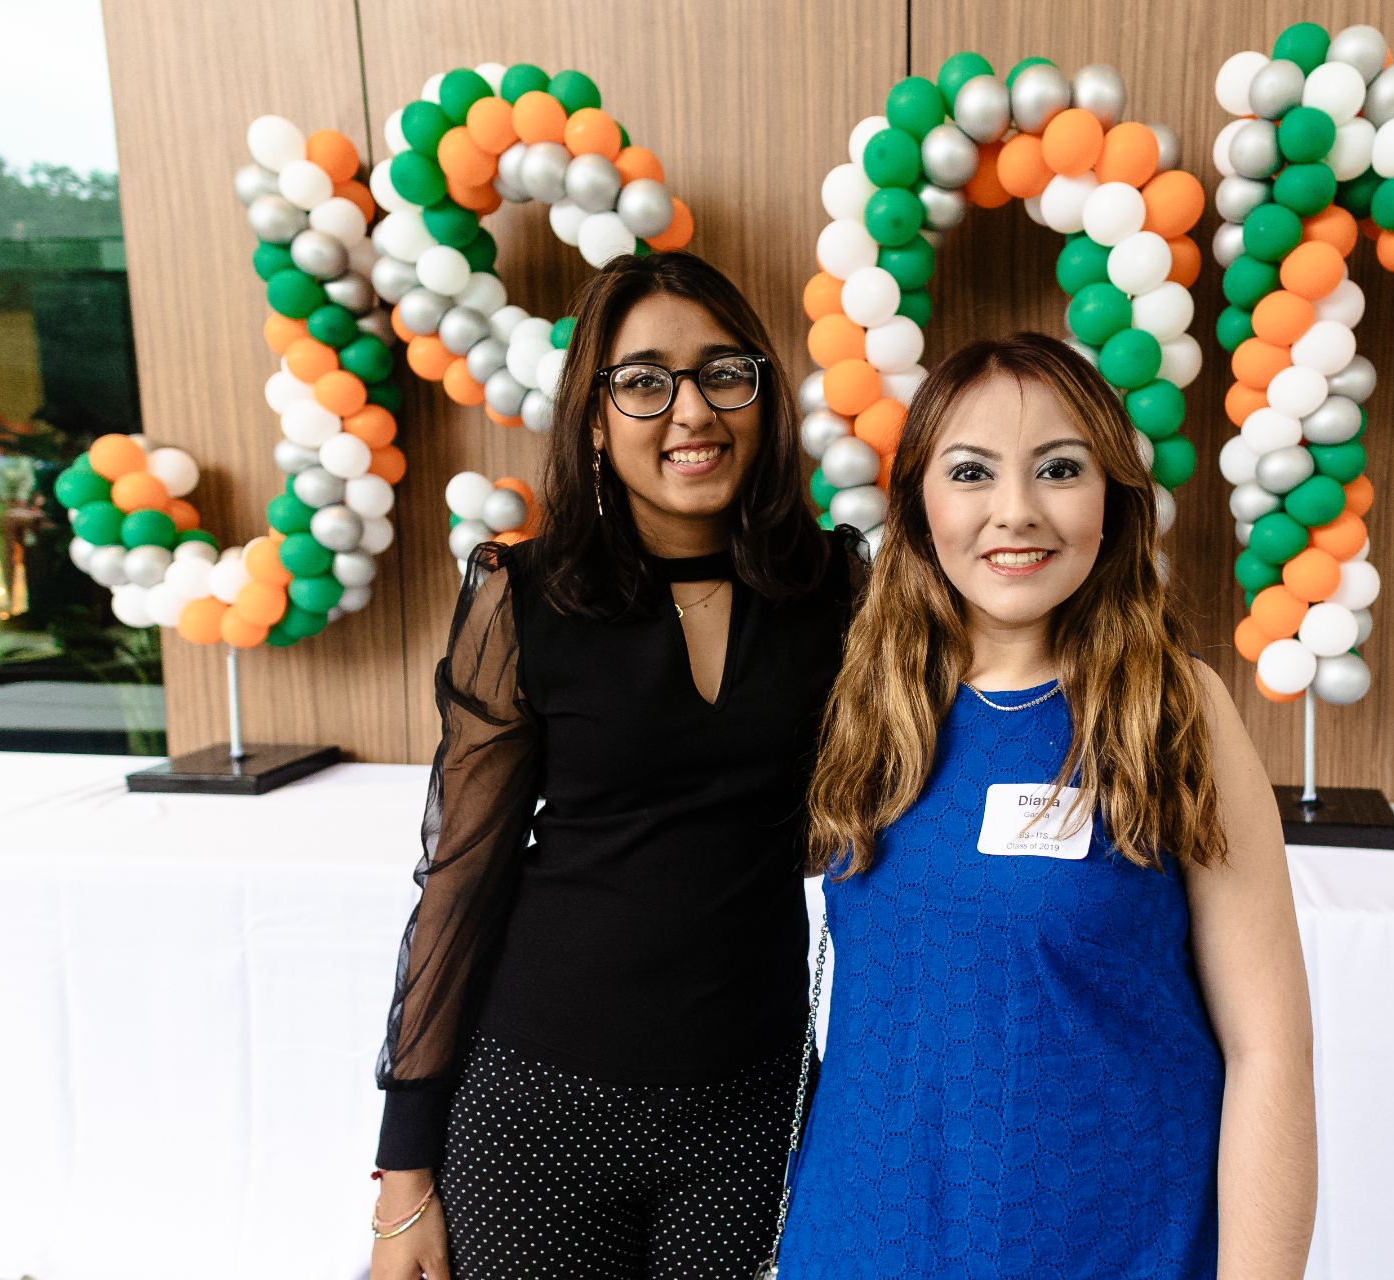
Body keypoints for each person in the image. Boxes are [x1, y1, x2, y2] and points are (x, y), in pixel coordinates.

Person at [778, 332, 1317, 1278]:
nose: (1015, 513)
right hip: (862, 1243)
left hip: (1112, 1248)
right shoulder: (868, 699)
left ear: (1111, 497)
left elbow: (1269, 1054)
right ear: (918, 506)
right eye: (972, 472)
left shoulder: (1172, 708)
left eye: (1059, 469)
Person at [369, 252, 856, 1280]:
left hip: (750, 1104)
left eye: (726, 373)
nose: (692, 410)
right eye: (645, 381)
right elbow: (461, 870)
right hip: (538, 1102)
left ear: (764, 396)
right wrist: (404, 1164)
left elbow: (852, 814)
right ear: (594, 416)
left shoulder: (835, 590)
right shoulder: (524, 592)